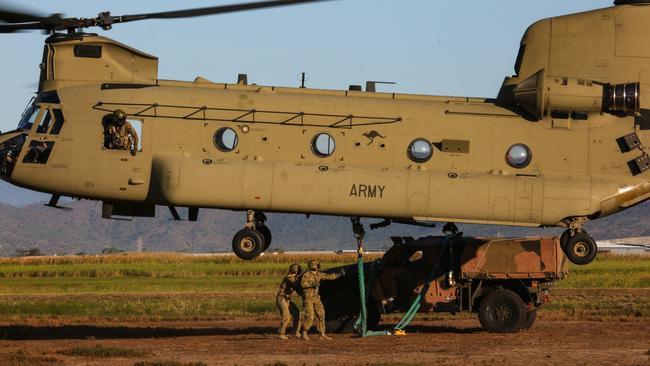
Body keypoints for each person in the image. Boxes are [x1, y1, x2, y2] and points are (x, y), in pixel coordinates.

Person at [299, 259, 345, 341]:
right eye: (315, 264)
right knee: (310, 316)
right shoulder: (306, 275)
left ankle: (322, 334)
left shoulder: (319, 274)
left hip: (316, 297)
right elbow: (303, 284)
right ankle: (304, 332)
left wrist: (339, 274)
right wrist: (312, 284)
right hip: (308, 298)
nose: (316, 266)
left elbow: (329, 277)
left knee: (321, 314)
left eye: (316, 264)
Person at [276, 263, 303, 340]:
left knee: (297, 313)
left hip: (287, 299)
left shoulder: (295, 278)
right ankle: (281, 333)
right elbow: (295, 284)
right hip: (282, 298)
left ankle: (295, 332)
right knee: (286, 316)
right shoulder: (288, 277)